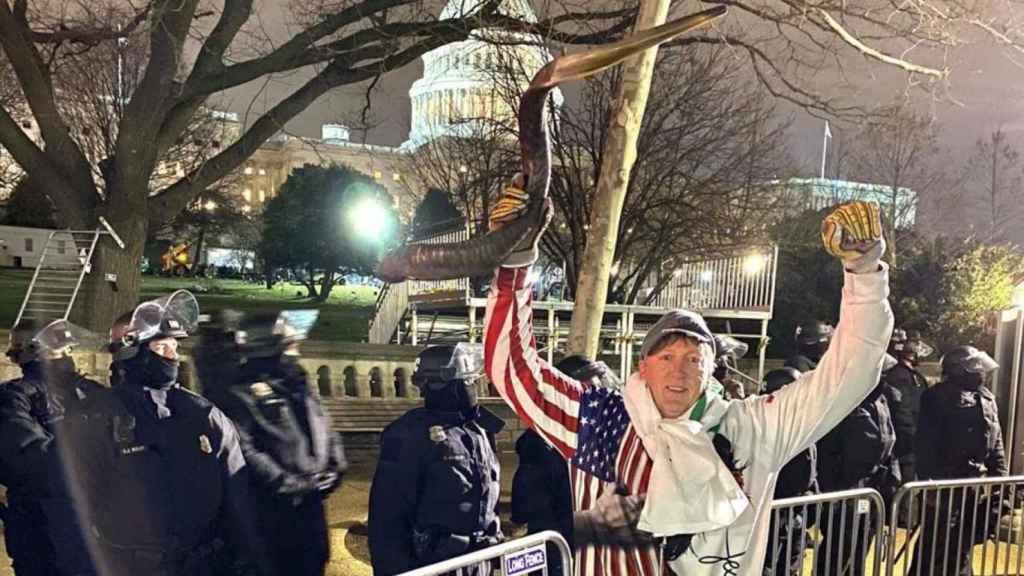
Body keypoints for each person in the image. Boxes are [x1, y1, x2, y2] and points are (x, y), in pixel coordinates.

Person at [484, 186, 893, 576]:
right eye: (666, 357)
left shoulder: (749, 428)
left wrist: (865, 273)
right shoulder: (600, 421)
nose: (678, 371)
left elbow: (848, 374)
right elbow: (514, 369)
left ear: (711, 368)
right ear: (643, 366)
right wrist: (516, 264)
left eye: (693, 359)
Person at [63, 291, 264, 576]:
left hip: (205, 566)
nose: (173, 356)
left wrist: (248, 562)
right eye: (161, 347)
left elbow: (238, 501)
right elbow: (72, 510)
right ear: (130, 349)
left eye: (174, 347)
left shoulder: (205, 415)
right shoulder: (93, 418)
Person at [198, 309, 346, 576]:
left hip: (310, 513)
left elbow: (324, 425)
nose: (296, 352)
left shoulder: (298, 384)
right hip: (271, 519)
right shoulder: (239, 392)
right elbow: (245, 449)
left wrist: (335, 465)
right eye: (290, 346)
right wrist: (290, 484)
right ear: (267, 348)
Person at [367, 343, 504, 576]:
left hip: (481, 563)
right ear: (443, 383)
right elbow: (386, 520)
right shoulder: (409, 435)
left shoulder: (479, 430)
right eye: (467, 381)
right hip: (434, 566)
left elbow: (487, 497)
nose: (473, 387)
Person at [0, 319, 103, 576]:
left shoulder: (90, 392)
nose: (67, 356)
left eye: (68, 349)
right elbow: (27, 460)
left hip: (96, 530)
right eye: (59, 349)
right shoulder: (14, 398)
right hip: (43, 530)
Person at [910, 345, 1008, 576]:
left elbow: (996, 443)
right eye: (974, 367)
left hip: (973, 487)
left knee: (962, 546)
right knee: (934, 547)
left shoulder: (987, 398)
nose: (980, 372)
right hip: (944, 486)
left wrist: (1001, 482)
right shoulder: (936, 398)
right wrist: (929, 485)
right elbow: (925, 444)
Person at [814, 376, 900, 576]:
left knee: (861, 547)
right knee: (838, 551)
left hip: (872, 489)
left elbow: (890, 443)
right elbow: (827, 449)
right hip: (845, 491)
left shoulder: (880, 400)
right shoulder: (842, 400)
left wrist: (892, 479)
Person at [760, 367, 818, 576]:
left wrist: (811, 503)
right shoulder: (761, 427)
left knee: (791, 566)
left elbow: (810, 471)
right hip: (771, 517)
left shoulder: (802, 424)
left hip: (795, 514)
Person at [882, 329, 933, 483]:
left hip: (908, 447)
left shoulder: (911, 376)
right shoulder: (899, 377)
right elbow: (904, 414)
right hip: (904, 450)